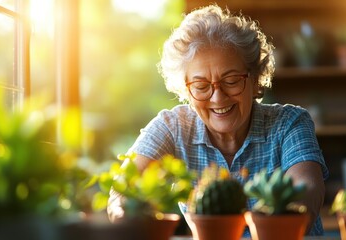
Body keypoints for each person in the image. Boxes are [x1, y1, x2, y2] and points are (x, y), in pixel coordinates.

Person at [108, 4, 329, 237]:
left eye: (232, 80)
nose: (218, 97)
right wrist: (128, 217)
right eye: (201, 86)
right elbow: (121, 192)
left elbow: (308, 190)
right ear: (185, 90)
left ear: (254, 80)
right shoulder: (171, 127)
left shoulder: (290, 122)